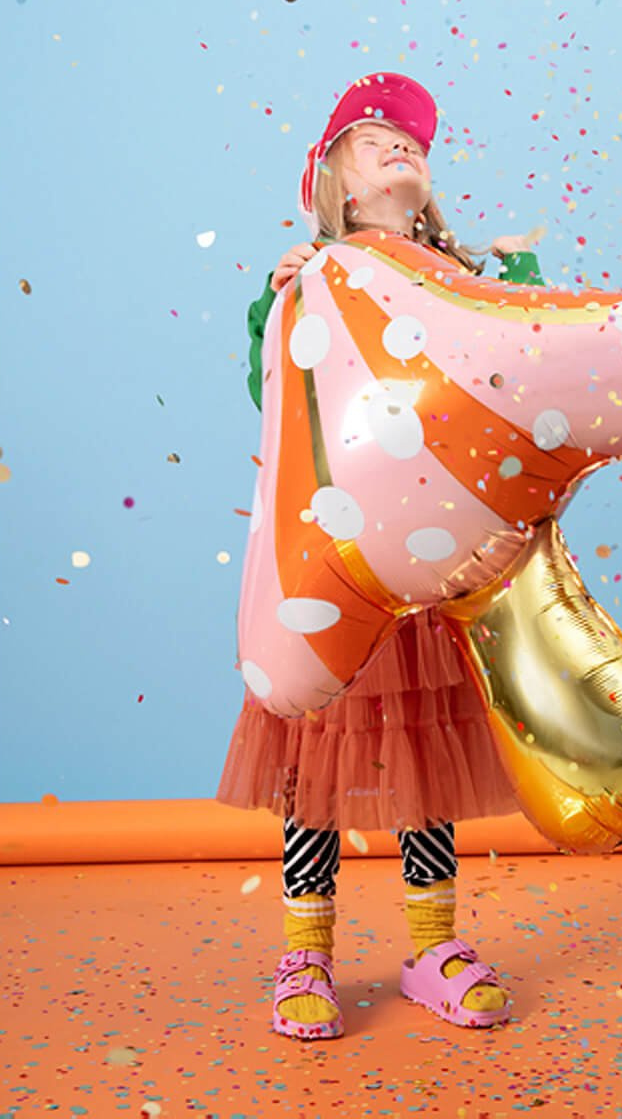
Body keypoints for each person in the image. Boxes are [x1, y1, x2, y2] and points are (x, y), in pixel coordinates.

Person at [215, 72, 547, 1040]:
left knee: (422, 751)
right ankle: (305, 951)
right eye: (373, 138)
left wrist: (516, 276)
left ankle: (433, 946)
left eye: (413, 140)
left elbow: (520, 365)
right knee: (314, 748)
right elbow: (273, 396)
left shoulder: (458, 273)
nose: (401, 142)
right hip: (339, 561)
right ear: (336, 183)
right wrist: (278, 309)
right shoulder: (316, 275)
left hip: (430, 563)